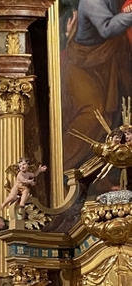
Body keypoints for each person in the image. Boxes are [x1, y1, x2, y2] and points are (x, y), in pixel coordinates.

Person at [62, 0, 132, 169]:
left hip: (108, 63)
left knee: (115, 115)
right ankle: (63, 166)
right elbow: (107, 28)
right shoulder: (91, 1)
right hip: (83, 65)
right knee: (93, 113)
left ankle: (104, 171)